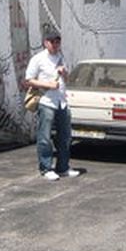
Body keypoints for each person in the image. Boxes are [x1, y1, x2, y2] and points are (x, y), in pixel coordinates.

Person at [25, 30, 80, 181]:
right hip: (46, 101)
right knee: (45, 137)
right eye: (52, 42)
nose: (55, 45)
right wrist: (47, 84)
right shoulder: (38, 59)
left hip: (62, 102)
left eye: (57, 42)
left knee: (65, 137)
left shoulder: (61, 57)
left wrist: (64, 73)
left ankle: (63, 167)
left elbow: (67, 80)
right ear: (45, 43)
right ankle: (46, 168)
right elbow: (28, 80)